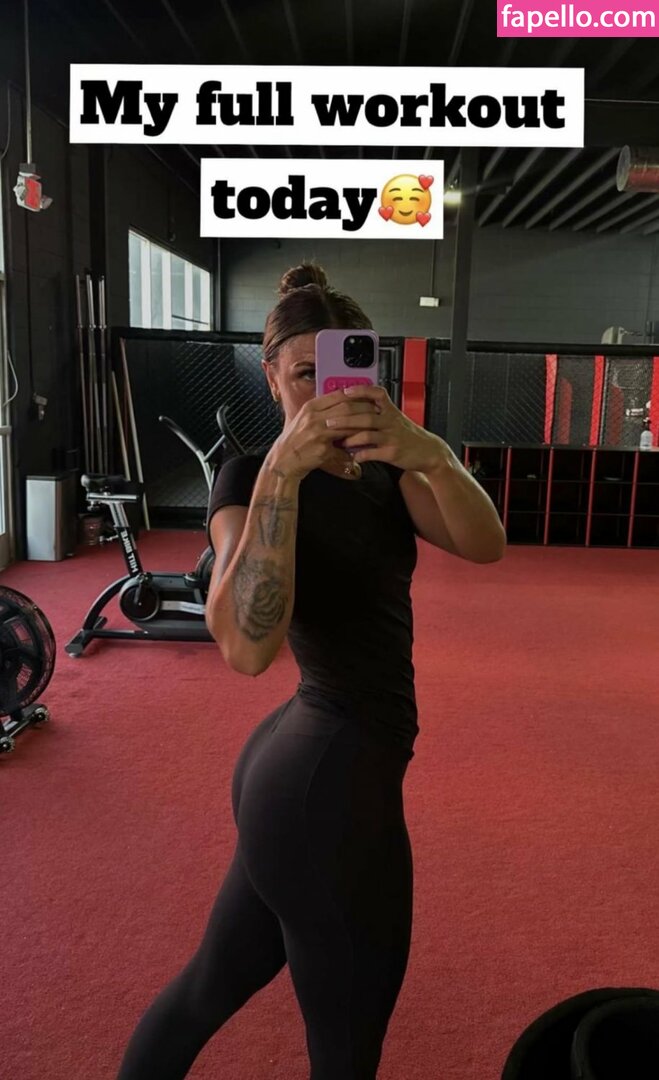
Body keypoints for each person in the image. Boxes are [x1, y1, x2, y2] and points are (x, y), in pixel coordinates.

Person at [116, 263, 506, 1080]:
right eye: (303, 374)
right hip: (324, 779)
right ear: (271, 376)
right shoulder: (247, 479)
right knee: (344, 1049)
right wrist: (283, 475)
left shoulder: (387, 468)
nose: (326, 393)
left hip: (308, 765)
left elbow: (483, 544)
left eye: (345, 371)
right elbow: (245, 648)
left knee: (211, 987)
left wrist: (432, 453)